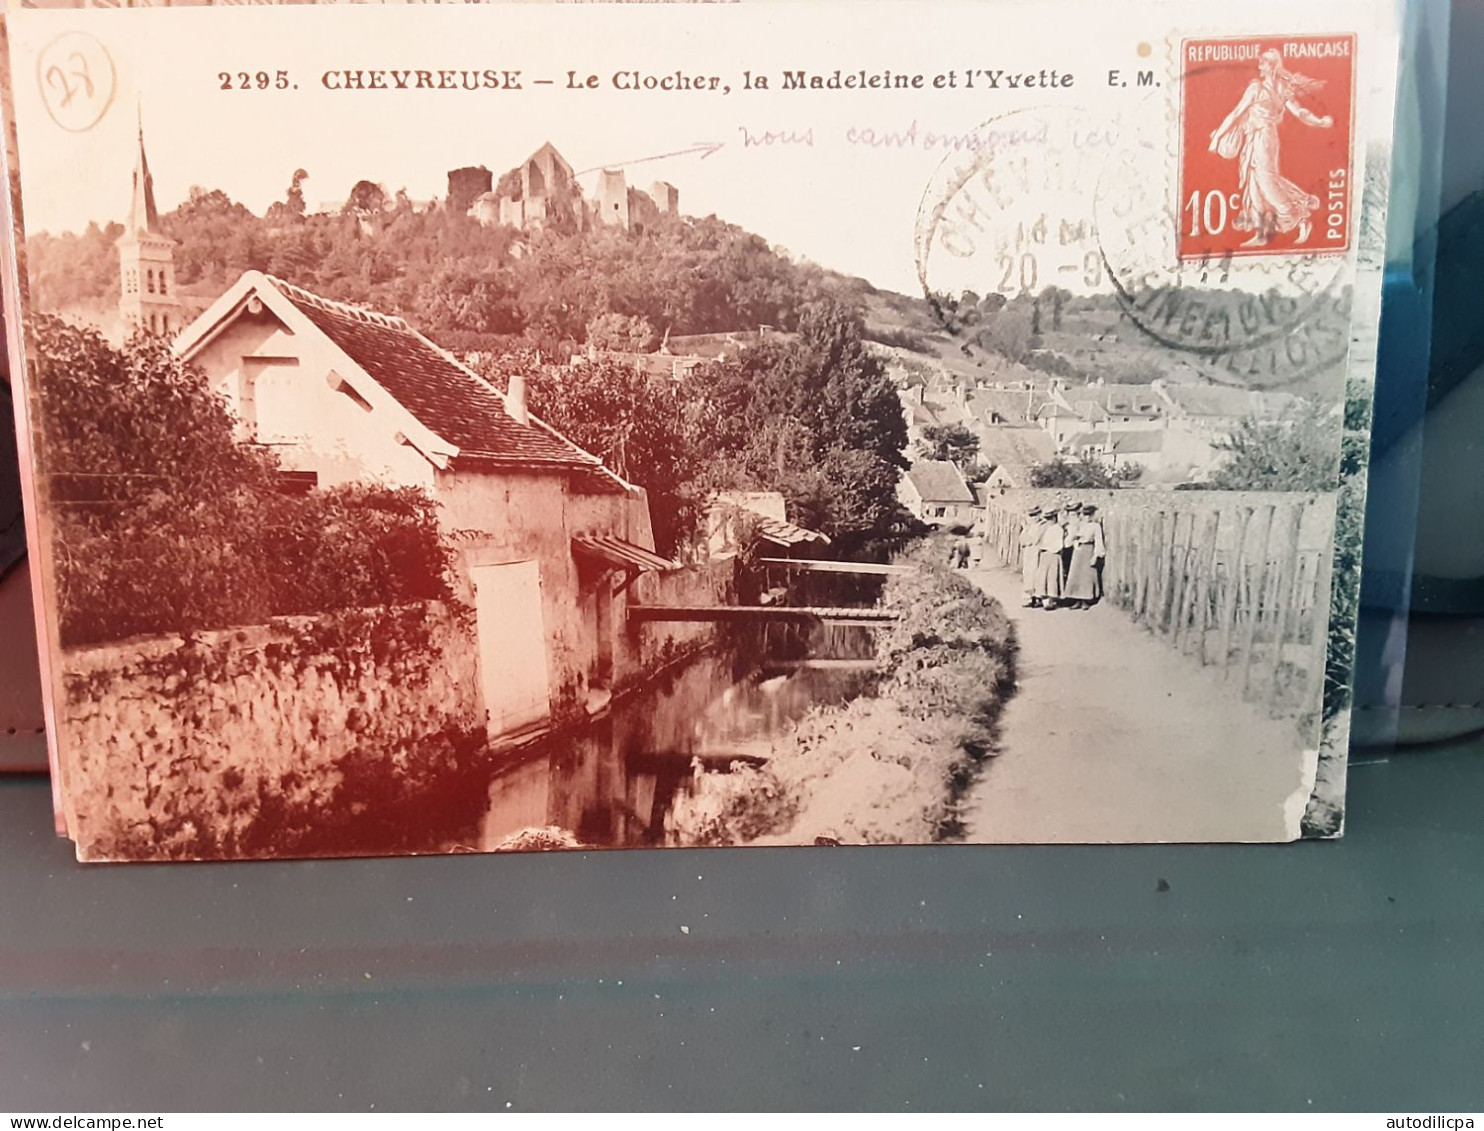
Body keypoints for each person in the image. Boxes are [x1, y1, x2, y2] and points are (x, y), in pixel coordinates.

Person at [1208, 48, 1334, 248]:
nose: (1259, 66)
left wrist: (1217, 139)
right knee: (1255, 184)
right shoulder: (1279, 88)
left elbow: (1236, 113)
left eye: (1263, 63)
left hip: (1263, 138)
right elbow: (1299, 112)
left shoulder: (1258, 89)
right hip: (1258, 137)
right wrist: (1318, 121)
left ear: (1272, 66)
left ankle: (1295, 214)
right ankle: (1262, 232)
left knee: (1266, 182)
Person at [1064, 502, 1105, 609]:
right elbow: (1073, 537)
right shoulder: (1079, 525)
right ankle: (1076, 599)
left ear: (1091, 515)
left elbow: (1098, 541)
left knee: (1086, 576)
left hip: (1088, 550)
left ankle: (1086, 600)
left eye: (1088, 515)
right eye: (1084, 514)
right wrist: (1075, 543)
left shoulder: (1096, 526)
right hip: (1078, 551)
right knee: (1076, 575)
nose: (1085, 517)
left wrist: (1095, 555)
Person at [1035, 507, 1066, 610]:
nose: (1048, 521)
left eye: (1050, 519)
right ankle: (1044, 599)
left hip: (1053, 555)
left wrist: (1046, 547)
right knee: (1043, 577)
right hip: (1045, 555)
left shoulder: (1058, 529)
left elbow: (1058, 545)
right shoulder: (1045, 528)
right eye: (1047, 519)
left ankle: (1051, 600)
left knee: (1052, 578)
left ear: (1054, 518)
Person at [1019, 506, 1044, 607]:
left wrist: (1029, 541)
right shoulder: (1028, 528)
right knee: (1028, 573)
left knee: (1036, 573)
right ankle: (1029, 597)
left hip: (1037, 551)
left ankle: (1038, 597)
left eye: (1036, 516)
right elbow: (1022, 540)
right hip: (1028, 552)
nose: (1034, 518)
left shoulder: (1041, 526)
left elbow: (1036, 539)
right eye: (1032, 516)